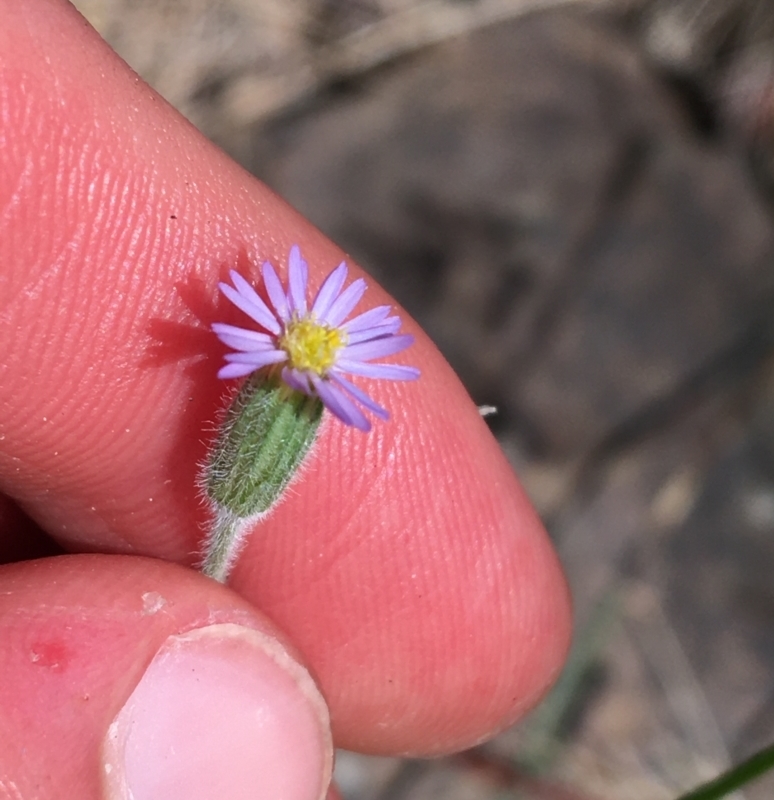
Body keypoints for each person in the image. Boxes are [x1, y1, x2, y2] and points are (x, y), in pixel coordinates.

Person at [0, 2, 572, 798]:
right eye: (308, 338)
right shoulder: (294, 358)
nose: (316, 340)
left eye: (318, 342)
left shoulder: (307, 365)